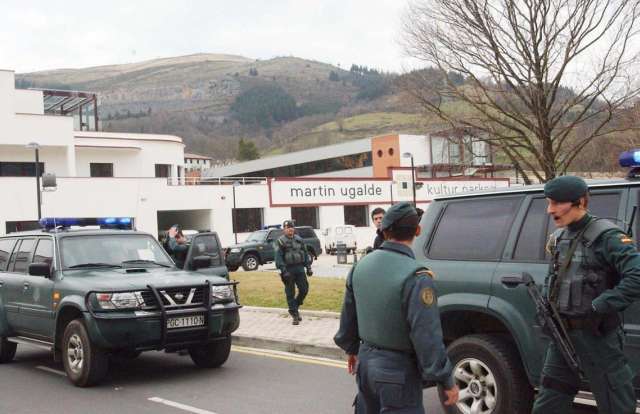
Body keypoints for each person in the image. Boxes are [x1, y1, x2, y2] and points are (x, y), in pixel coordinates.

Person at [334, 202, 459, 413]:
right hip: (397, 371)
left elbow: (349, 316)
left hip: (366, 365)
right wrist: (446, 380)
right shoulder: (417, 276)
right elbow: (426, 335)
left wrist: (352, 349)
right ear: (418, 230)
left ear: (383, 230)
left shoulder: (361, 265)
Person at [532, 176, 640, 414]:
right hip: (562, 336)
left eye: (556, 203)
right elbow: (555, 279)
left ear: (580, 201)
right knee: (548, 402)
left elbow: (637, 276)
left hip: (596, 337)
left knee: (616, 406)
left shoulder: (608, 237)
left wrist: (600, 306)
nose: (550, 210)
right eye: (548, 203)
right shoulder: (560, 237)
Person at [275, 220, 312, 325]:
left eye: (291, 227)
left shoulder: (299, 240)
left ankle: (294, 306)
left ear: (293, 229)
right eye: (287, 228)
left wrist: (308, 267)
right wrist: (283, 270)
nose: (290, 229)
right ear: (284, 229)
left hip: (299, 268)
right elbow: (278, 257)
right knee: (290, 293)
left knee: (304, 289)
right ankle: (295, 315)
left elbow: (305, 253)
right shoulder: (280, 241)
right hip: (288, 270)